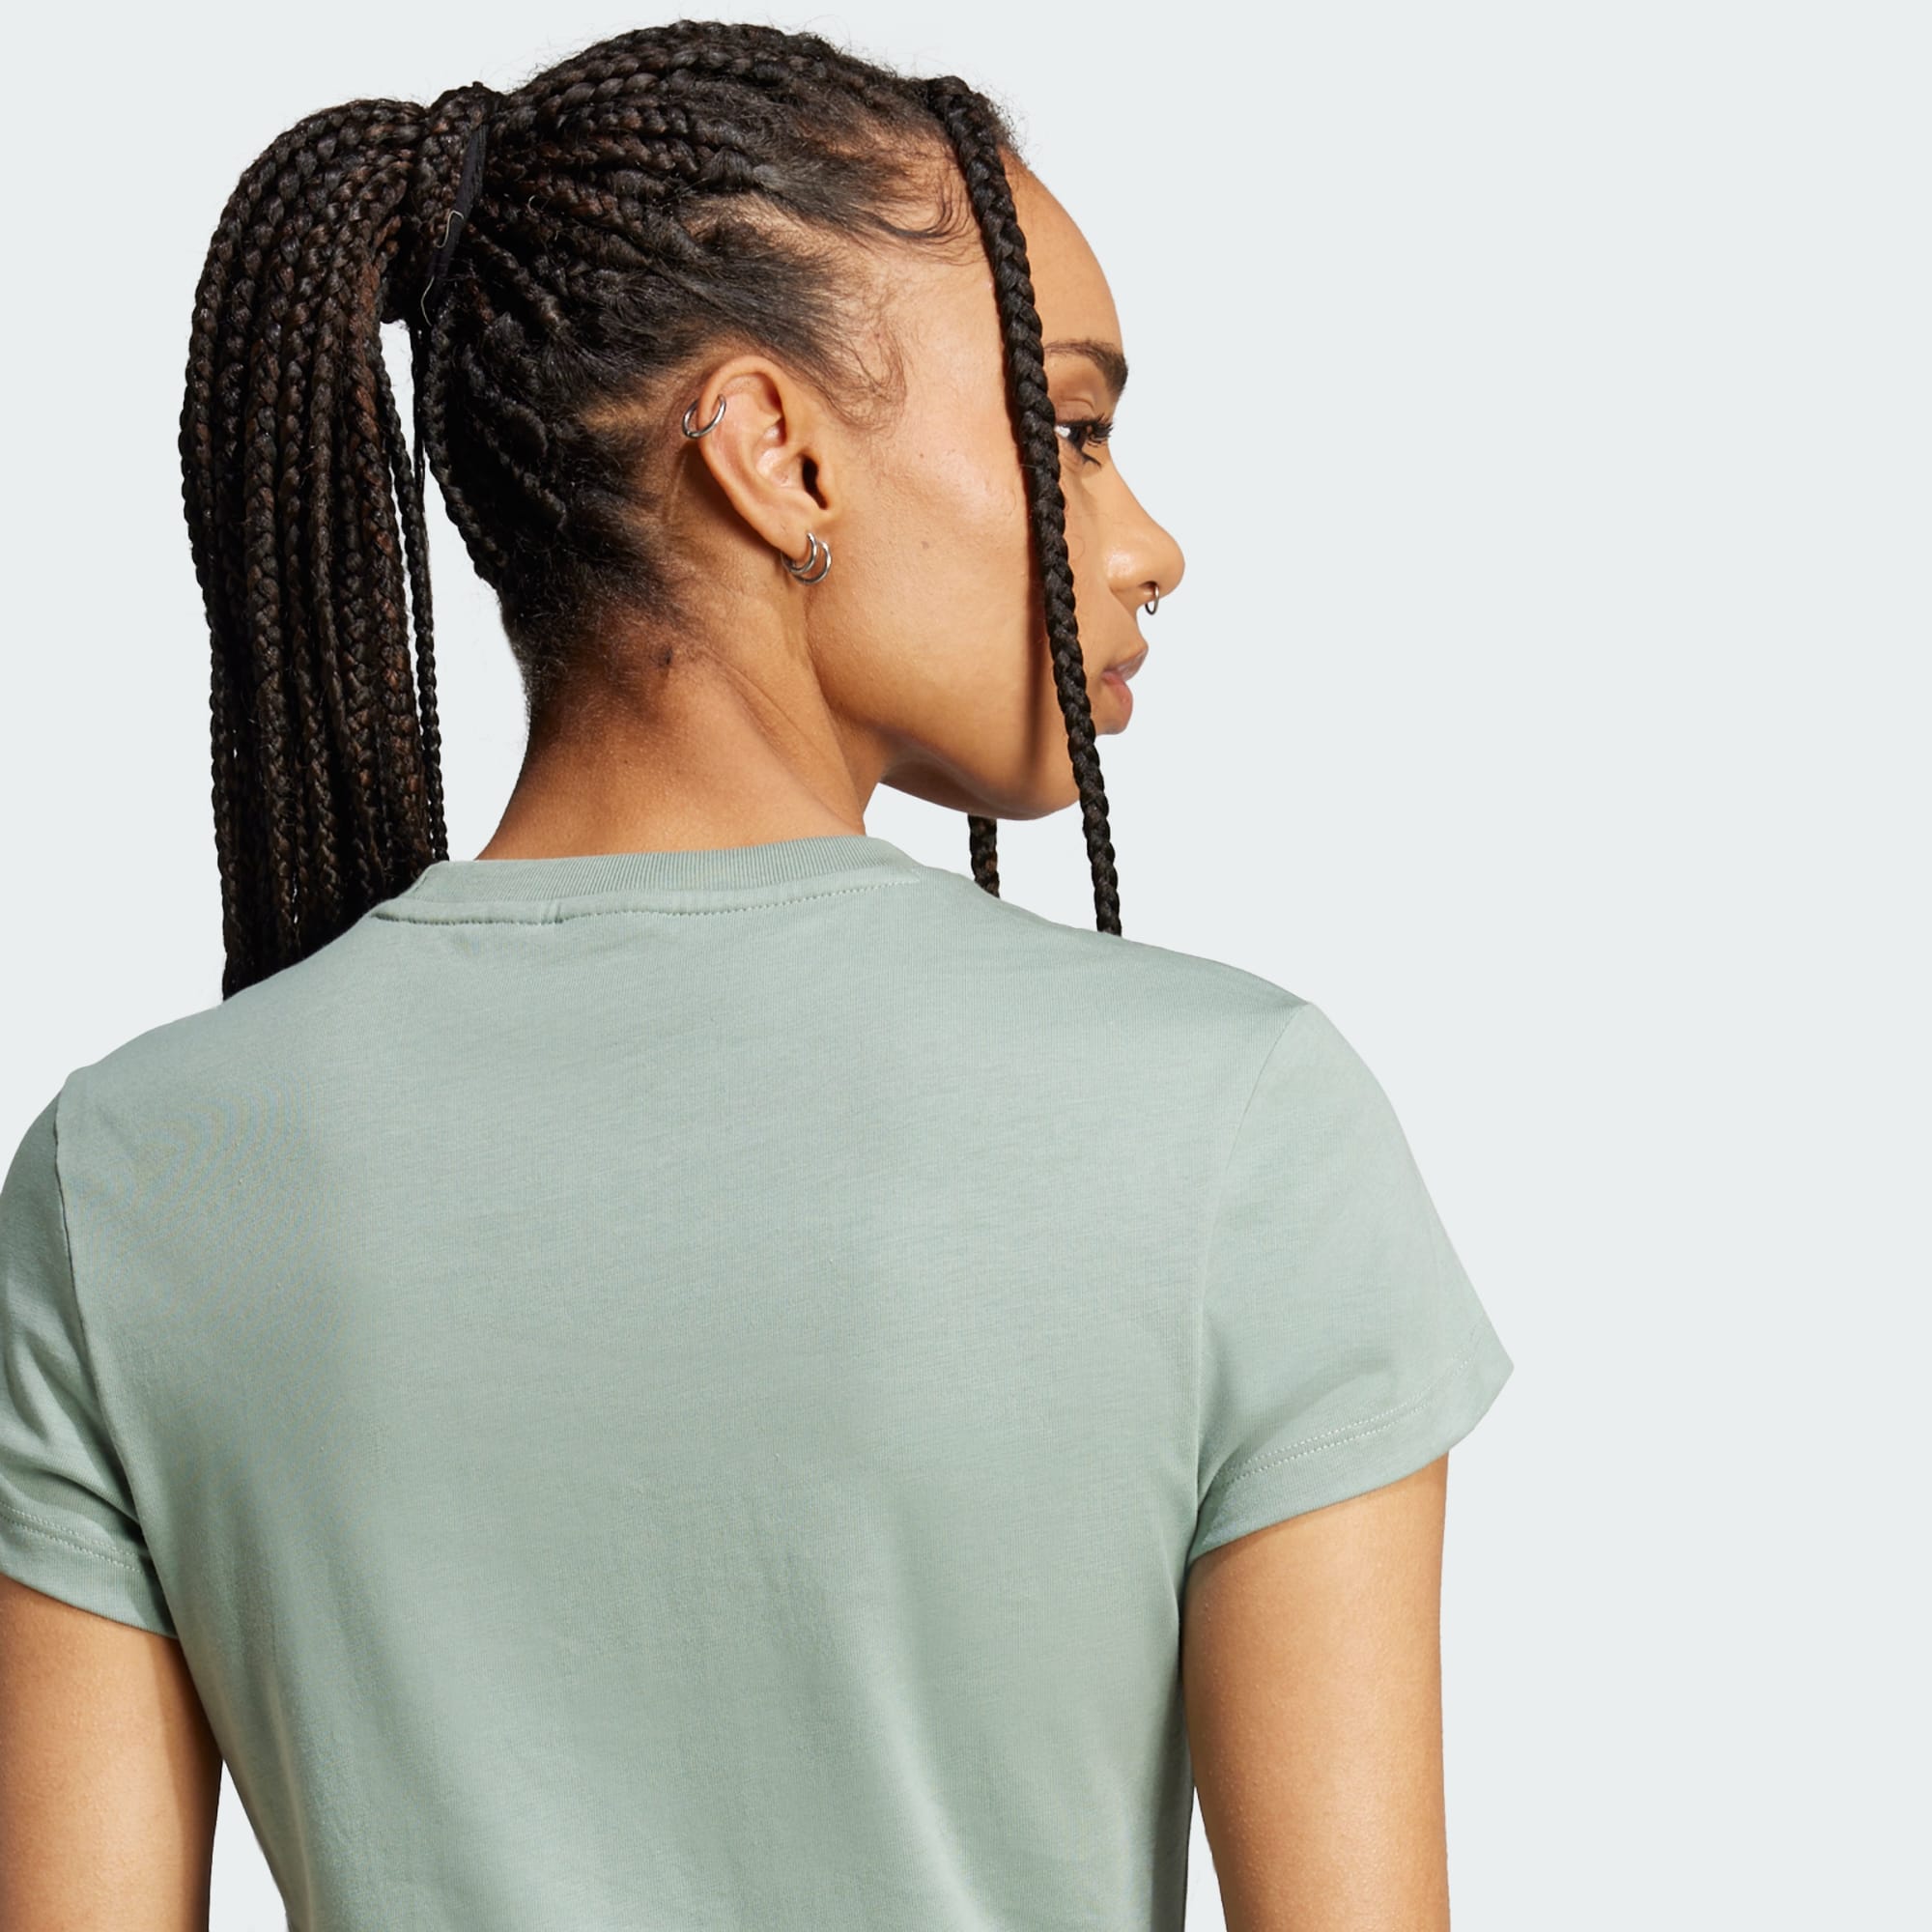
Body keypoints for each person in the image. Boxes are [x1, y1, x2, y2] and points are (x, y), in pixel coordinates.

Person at [0, 20, 1514, 1931]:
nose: (1148, 543)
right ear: (778, 454)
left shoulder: (126, 1175)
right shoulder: (1240, 1120)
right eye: (1070, 427)